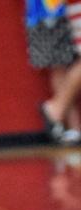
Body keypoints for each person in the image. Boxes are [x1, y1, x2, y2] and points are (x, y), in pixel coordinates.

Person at [25, 0, 81, 142]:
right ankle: (66, 120)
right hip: (48, 13)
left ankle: (73, 128)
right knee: (58, 66)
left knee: (60, 66)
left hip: (53, 12)